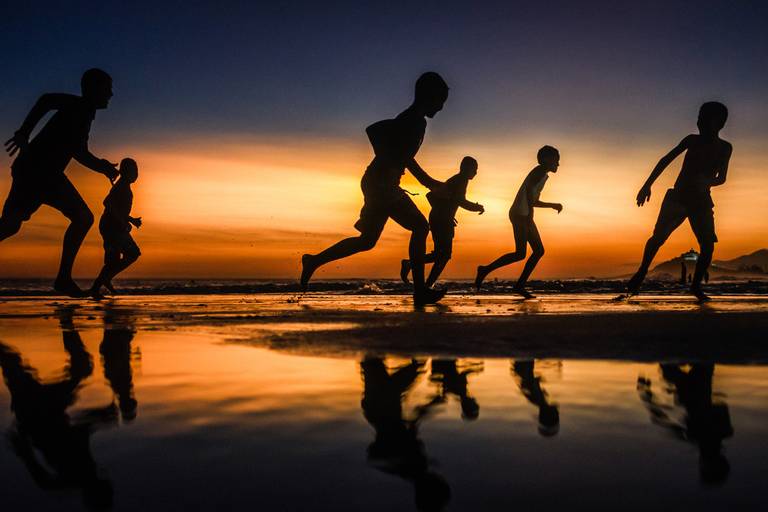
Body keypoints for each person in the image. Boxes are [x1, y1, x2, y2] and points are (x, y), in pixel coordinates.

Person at [300, 72, 449, 306]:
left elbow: (384, 139)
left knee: (367, 241)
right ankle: (420, 291)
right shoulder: (413, 120)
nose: (441, 108)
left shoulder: (412, 119)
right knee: (420, 226)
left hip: (378, 183)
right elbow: (390, 144)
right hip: (381, 185)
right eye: (440, 101)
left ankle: (313, 261)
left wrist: (392, 159)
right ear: (429, 96)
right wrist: (428, 181)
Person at [1, 69, 119, 297]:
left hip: (42, 173)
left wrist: (102, 166)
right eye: (107, 88)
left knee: (10, 225)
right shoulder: (79, 106)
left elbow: (79, 150)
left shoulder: (85, 113)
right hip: (37, 173)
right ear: (94, 89)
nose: (111, 94)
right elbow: (47, 100)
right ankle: (63, 279)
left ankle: (63, 279)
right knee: (82, 218)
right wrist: (24, 132)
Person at [621, 102, 732, 302]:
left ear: (718, 124)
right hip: (678, 197)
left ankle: (696, 286)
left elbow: (722, 177)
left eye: (703, 118)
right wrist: (647, 185)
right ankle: (641, 273)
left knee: (707, 245)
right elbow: (665, 160)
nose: (698, 121)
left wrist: (708, 181)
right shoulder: (692, 140)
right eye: (699, 117)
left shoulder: (725, 148)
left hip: (701, 201)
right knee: (658, 238)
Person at [474, 146, 563, 298]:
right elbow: (528, 192)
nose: (558, 164)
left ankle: (507, 279)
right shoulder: (539, 171)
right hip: (520, 215)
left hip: (523, 214)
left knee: (532, 252)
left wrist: (552, 205)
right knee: (525, 252)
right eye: (556, 160)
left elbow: (533, 200)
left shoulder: (542, 174)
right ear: (547, 160)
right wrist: (530, 216)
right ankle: (500, 277)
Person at [400, 156, 484, 287]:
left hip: (441, 219)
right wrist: (477, 207)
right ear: (466, 168)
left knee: (441, 255)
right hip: (441, 221)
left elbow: (437, 197)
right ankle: (425, 284)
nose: (475, 173)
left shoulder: (457, 180)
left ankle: (412, 267)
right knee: (443, 256)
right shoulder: (460, 180)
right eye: (474, 169)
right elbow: (460, 201)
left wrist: (447, 214)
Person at [90, 158, 142, 297]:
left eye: (137, 171)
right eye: (134, 171)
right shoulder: (121, 186)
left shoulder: (124, 186)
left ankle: (102, 282)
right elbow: (107, 203)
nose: (136, 174)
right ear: (126, 172)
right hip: (111, 227)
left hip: (114, 226)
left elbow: (119, 209)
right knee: (132, 253)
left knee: (116, 259)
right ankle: (98, 285)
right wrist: (123, 221)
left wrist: (131, 219)